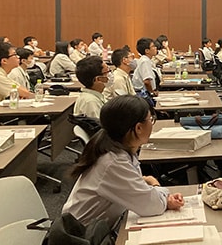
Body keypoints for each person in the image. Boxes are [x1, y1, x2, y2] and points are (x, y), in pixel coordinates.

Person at [62, 96, 185, 225]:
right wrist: (157, 187)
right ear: (138, 128)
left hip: (96, 229)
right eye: (151, 119)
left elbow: (130, 185)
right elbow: (151, 205)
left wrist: (144, 183)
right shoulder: (113, 161)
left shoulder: (117, 147)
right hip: (81, 237)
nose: (152, 123)